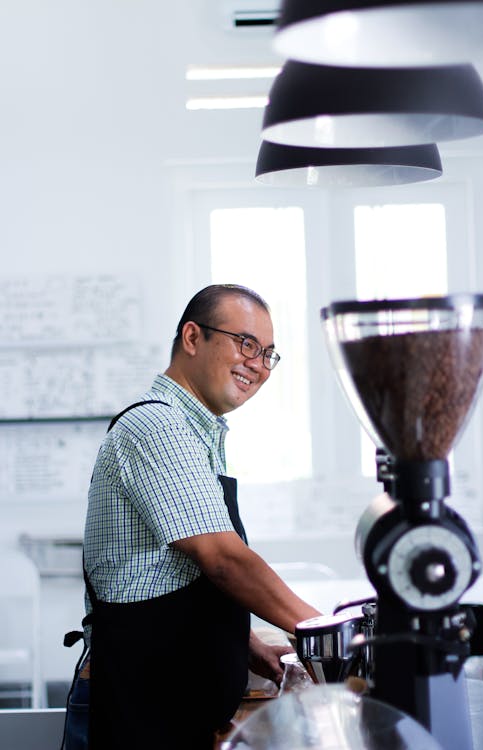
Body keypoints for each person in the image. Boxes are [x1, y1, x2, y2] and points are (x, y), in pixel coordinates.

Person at [69, 283, 322, 750]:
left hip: (177, 713)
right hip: (145, 720)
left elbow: (161, 578)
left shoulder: (195, 433)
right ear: (192, 337)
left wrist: (246, 645)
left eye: (268, 353)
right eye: (246, 343)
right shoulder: (158, 426)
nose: (258, 364)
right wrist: (325, 636)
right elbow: (223, 560)